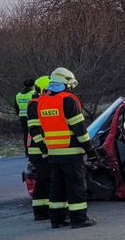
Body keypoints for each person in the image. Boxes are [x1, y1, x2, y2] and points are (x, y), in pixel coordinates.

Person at [34, 67, 96, 229]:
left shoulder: (42, 101)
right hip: (72, 151)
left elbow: (41, 129)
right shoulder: (69, 100)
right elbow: (79, 128)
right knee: (76, 185)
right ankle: (79, 219)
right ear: (66, 83)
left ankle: (57, 219)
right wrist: (90, 150)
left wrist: (46, 150)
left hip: (53, 152)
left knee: (57, 187)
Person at [25, 75, 52, 221]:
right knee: (43, 179)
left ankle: (43, 210)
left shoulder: (41, 102)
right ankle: (40, 211)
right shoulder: (34, 104)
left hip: (42, 148)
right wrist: (43, 147)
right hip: (38, 149)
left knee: (45, 179)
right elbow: (34, 129)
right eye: (49, 90)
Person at [15, 79, 34, 156]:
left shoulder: (18, 95)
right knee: (34, 134)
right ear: (32, 86)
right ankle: (34, 150)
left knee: (26, 135)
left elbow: (16, 107)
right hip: (32, 117)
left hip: (22, 117)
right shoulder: (33, 94)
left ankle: (27, 151)